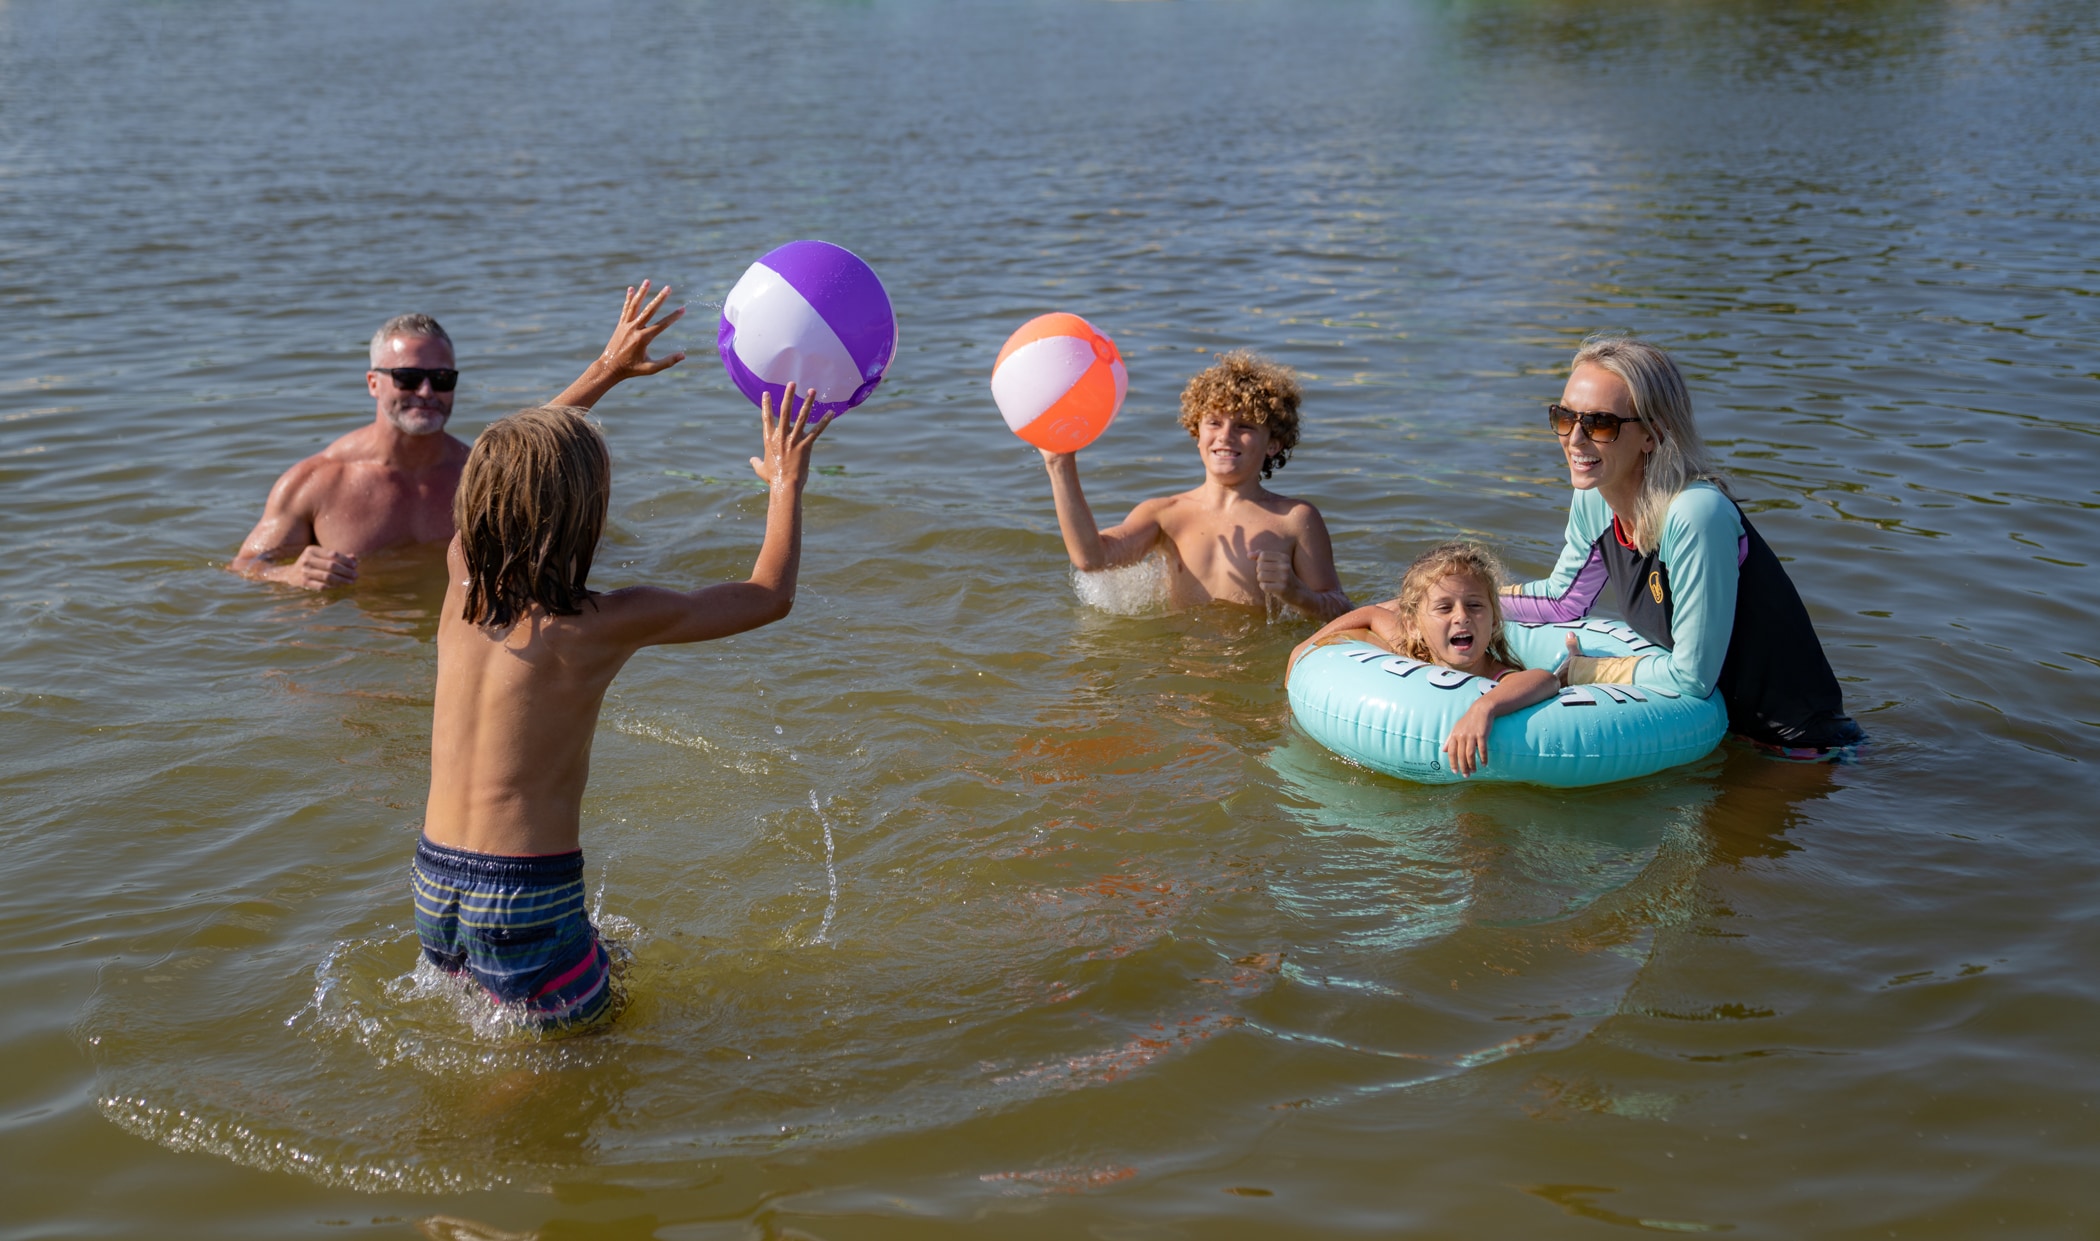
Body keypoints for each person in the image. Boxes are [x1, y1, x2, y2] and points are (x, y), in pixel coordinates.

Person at [412, 381, 831, 1030]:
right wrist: (785, 483)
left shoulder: (461, 576)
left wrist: (606, 367)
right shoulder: (600, 622)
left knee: (604, 976)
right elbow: (769, 594)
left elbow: (508, 461)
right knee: (583, 1051)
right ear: (584, 514)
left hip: (435, 879)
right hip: (526, 891)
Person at [1500, 334, 1865, 757]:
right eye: (1564, 417)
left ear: (1652, 435)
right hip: (1718, 737)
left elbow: (1692, 676)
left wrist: (1587, 671)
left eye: (1601, 424)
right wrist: (1446, 603)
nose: (1575, 440)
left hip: (1797, 750)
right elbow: (1563, 601)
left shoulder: (1696, 516)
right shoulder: (1594, 498)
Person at [228, 284, 686, 588]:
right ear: (373, 382)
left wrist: (609, 370)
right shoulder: (316, 481)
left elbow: (537, 441)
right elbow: (245, 567)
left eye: (442, 378)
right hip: (357, 651)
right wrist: (286, 577)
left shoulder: (479, 475)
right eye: (408, 377)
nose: (426, 392)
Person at [1036, 350, 1351, 620]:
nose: (1225, 435)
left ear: (1273, 444)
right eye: (1214, 422)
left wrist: (1297, 594)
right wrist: (1060, 464)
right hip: (1180, 669)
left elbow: (1340, 608)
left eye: (1244, 426)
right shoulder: (1165, 514)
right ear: (1196, 433)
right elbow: (1092, 559)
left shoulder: (1295, 519)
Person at [1288, 541, 1559, 776]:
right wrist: (1303, 647)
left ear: (1494, 620)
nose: (1461, 616)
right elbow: (1372, 614)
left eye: (1475, 605)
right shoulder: (1411, 649)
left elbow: (1544, 680)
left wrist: (1483, 708)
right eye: (1444, 608)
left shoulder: (1494, 675)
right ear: (1413, 625)